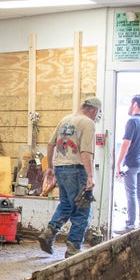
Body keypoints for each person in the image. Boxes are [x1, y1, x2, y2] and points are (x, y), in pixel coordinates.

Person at [37, 96, 100, 256]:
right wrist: (90, 176)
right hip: (77, 169)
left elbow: (50, 144)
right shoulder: (88, 123)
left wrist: (50, 166)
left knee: (66, 204)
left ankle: (49, 233)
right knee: (82, 209)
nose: (96, 116)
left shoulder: (65, 120)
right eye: (97, 113)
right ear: (93, 110)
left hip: (60, 168)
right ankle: (73, 248)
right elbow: (86, 152)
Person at [115, 94, 140, 232]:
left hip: (132, 164)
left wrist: (118, 164)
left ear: (135, 104)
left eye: (131, 104)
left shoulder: (132, 121)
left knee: (131, 194)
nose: (129, 107)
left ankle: (130, 225)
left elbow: (126, 144)